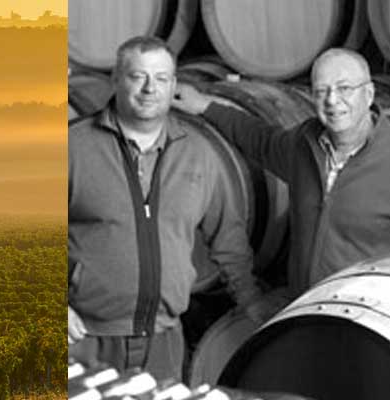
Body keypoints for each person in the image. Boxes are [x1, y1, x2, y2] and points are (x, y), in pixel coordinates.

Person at [68, 36, 271, 382]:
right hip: (83, 337)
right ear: (116, 79)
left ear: (174, 84)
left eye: (161, 78)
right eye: (138, 76)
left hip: (164, 340)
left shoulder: (197, 153)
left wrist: (251, 301)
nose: (150, 89)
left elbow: (228, 237)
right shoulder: (73, 147)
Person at [172, 48, 390, 298]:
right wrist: (204, 105)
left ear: (368, 94)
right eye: (321, 91)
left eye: (344, 88)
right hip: (305, 313)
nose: (332, 101)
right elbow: (259, 139)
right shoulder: (304, 144)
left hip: (366, 320)